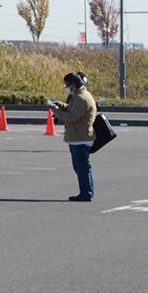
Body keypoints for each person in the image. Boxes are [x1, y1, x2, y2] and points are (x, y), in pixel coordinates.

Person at [52, 71, 97, 202]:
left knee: (82, 168)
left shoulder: (81, 98)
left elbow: (71, 117)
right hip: (79, 136)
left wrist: (55, 110)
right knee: (81, 167)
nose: (66, 87)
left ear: (74, 84)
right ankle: (86, 192)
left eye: (67, 84)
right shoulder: (79, 96)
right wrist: (61, 105)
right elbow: (72, 110)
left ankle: (86, 193)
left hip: (80, 138)